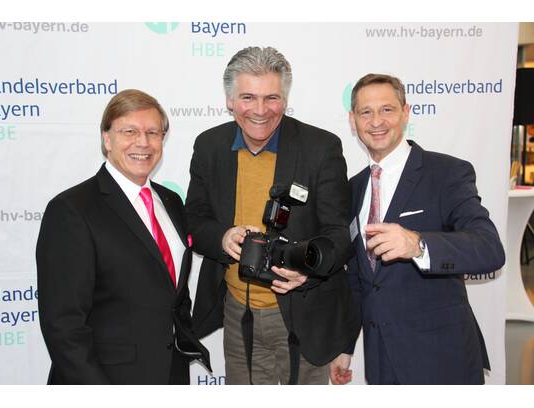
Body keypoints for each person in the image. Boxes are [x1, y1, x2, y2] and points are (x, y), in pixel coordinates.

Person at [185, 46, 359, 384]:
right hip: (237, 313)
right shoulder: (209, 146)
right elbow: (194, 220)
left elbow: (339, 235)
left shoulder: (321, 148)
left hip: (305, 312)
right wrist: (223, 237)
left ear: (285, 99)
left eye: (272, 98)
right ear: (229, 100)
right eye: (248, 97)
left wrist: (307, 271)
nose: (260, 110)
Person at [330, 73, 505, 385]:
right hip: (381, 362)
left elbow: (489, 249)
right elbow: (359, 277)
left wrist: (418, 245)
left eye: (387, 109)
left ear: (406, 113)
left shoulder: (447, 173)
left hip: (441, 360)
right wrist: (345, 345)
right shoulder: (354, 187)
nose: (376, 121)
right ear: (353, 120)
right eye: (366, 112)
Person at [36, 89, 210, 384]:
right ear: (107, 139)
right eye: (129, 131)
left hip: (170, 374)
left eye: (153, 132)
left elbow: (173, 293)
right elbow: (64, 325)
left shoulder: (171, 202)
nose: (143, 142)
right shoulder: (71, 210)